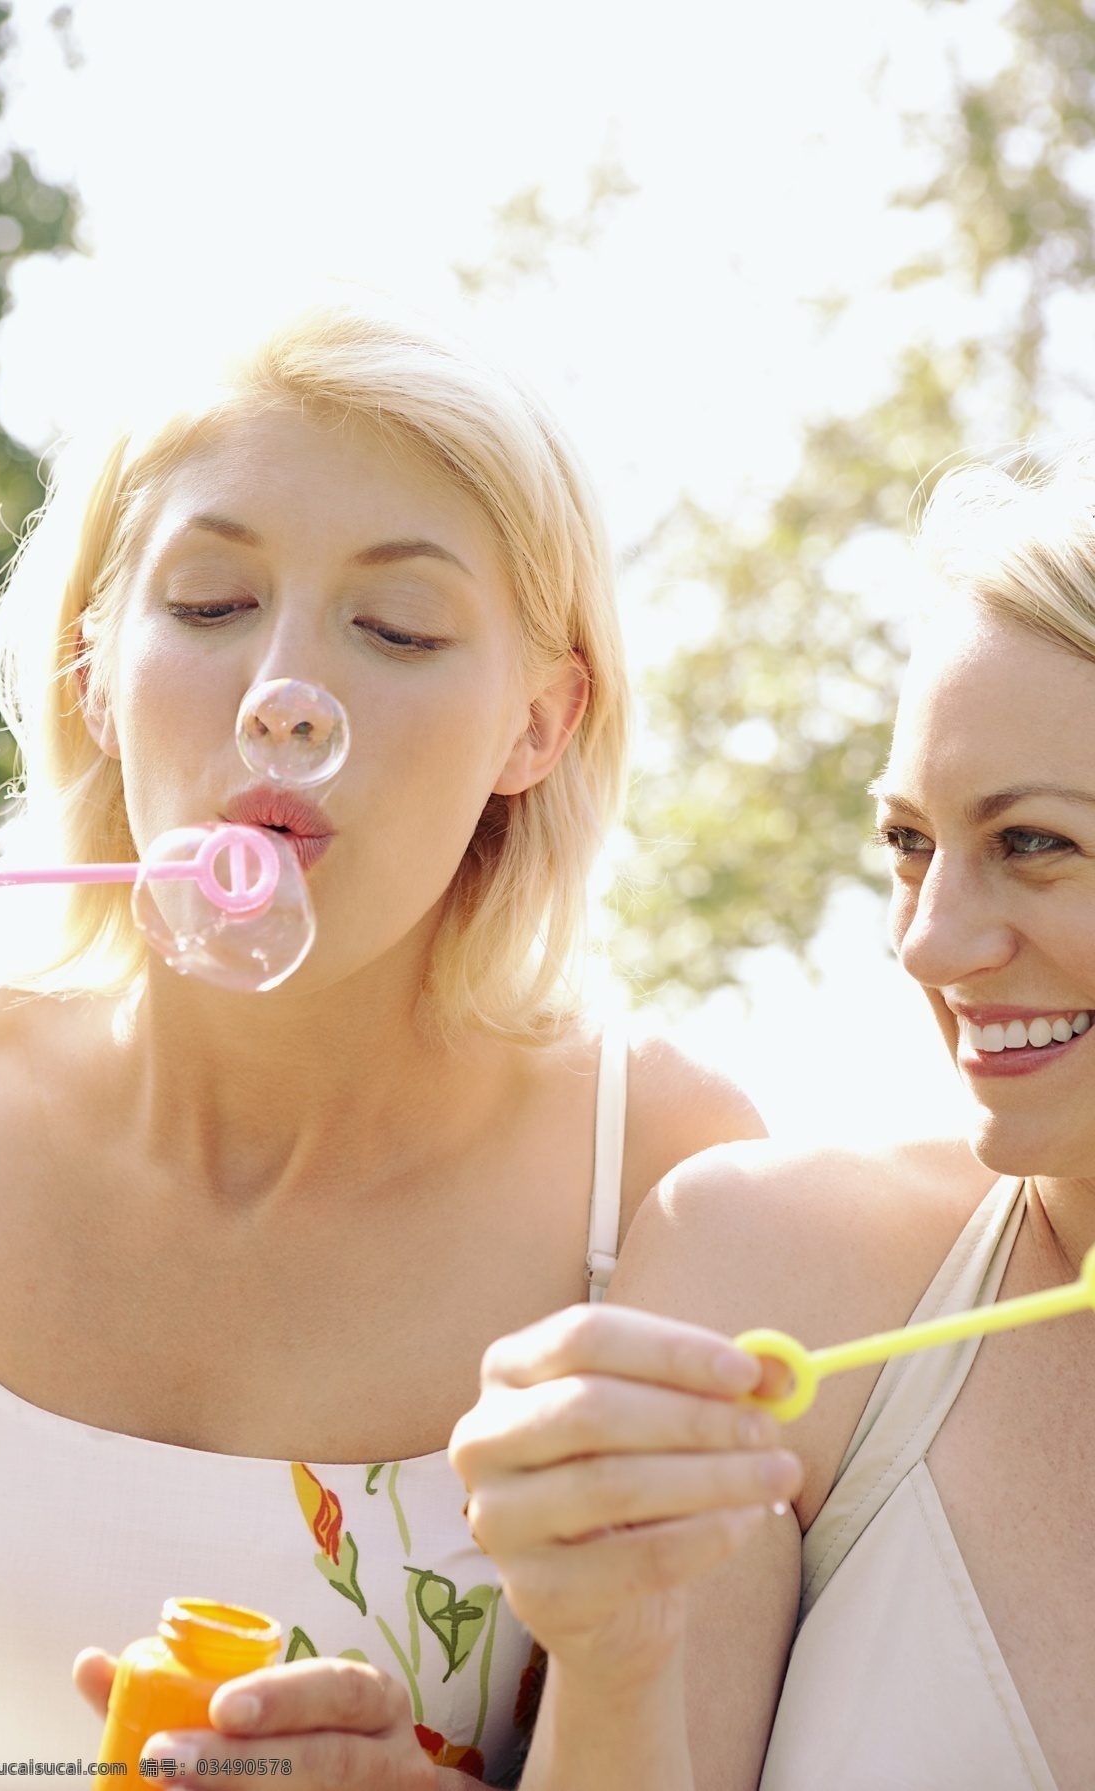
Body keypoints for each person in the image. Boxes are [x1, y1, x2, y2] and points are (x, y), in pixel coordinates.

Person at [0, 305, 795, 1789]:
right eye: (205, 606)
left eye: (397, 629)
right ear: (87, 675)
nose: (279, 702)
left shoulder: (667, 1180)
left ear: (540, 725)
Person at [457, 455, 1095, 1789]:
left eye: (1033, 841)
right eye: (910, 842)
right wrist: (616, 1662)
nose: (931, 945)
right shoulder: (776, 1282)